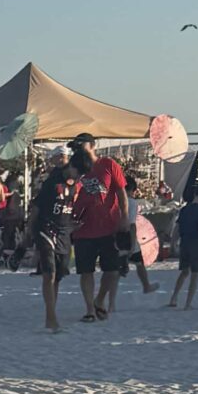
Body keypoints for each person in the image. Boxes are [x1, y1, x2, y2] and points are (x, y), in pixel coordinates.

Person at [66, 132, 130, 322]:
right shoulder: (75, 167)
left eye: (81, 145)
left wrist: (125, 217)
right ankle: (89, 309)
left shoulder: (108, 164)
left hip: (108, 225)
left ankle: (99, 300)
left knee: (111, 270)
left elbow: (121, 191)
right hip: (83, 228)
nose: (78, 148)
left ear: (93, 145)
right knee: (86, 271)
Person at [27, 144, 79, 334]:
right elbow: (37, 207)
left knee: (58, 277)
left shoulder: (76, 183)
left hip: (65, 231)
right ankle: (50, 317)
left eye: (64, 157)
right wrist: (30, 231)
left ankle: (52, 312)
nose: (62, 161)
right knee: (49, 274)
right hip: (47, 228)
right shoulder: (51, 182)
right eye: (58, 157)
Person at [169, 177, 198, 309]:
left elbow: (177, 229)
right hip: (196, 244)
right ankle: (188, 304)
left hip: (184, 243)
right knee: (195, 274)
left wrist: (173, 244)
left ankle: (174, 298)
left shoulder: (185, 209)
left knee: (184, 272)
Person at [121, 170, 159, 297]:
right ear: (132, 190)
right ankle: (146, 285)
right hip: (127, 236)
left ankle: (110, 302)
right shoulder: (131, 202)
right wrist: (132, 244)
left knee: (113, 270)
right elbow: (131, 225)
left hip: (114, 235)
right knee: (139, 263)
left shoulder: (115, 201)